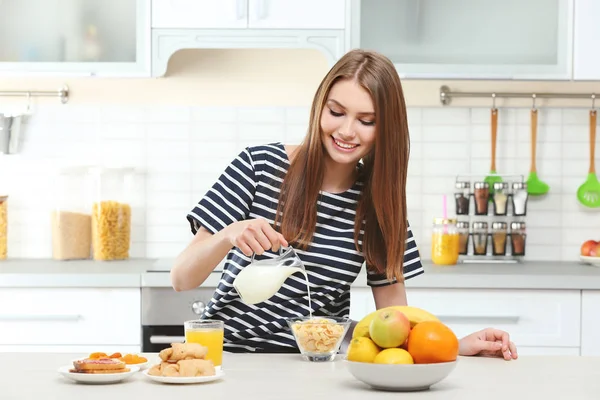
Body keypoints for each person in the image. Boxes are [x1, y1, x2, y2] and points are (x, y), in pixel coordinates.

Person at [171, 49, 518, 361]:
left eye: (367, 121)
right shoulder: (258, 166)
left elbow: (394, 320)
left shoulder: (378, 206)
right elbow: (181, 278)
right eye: (336, 112)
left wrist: (454, 345)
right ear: (320, 107)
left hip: (319, 368)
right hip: (231, 359)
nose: (347, 130)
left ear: (386, 129)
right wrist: (227, 235)